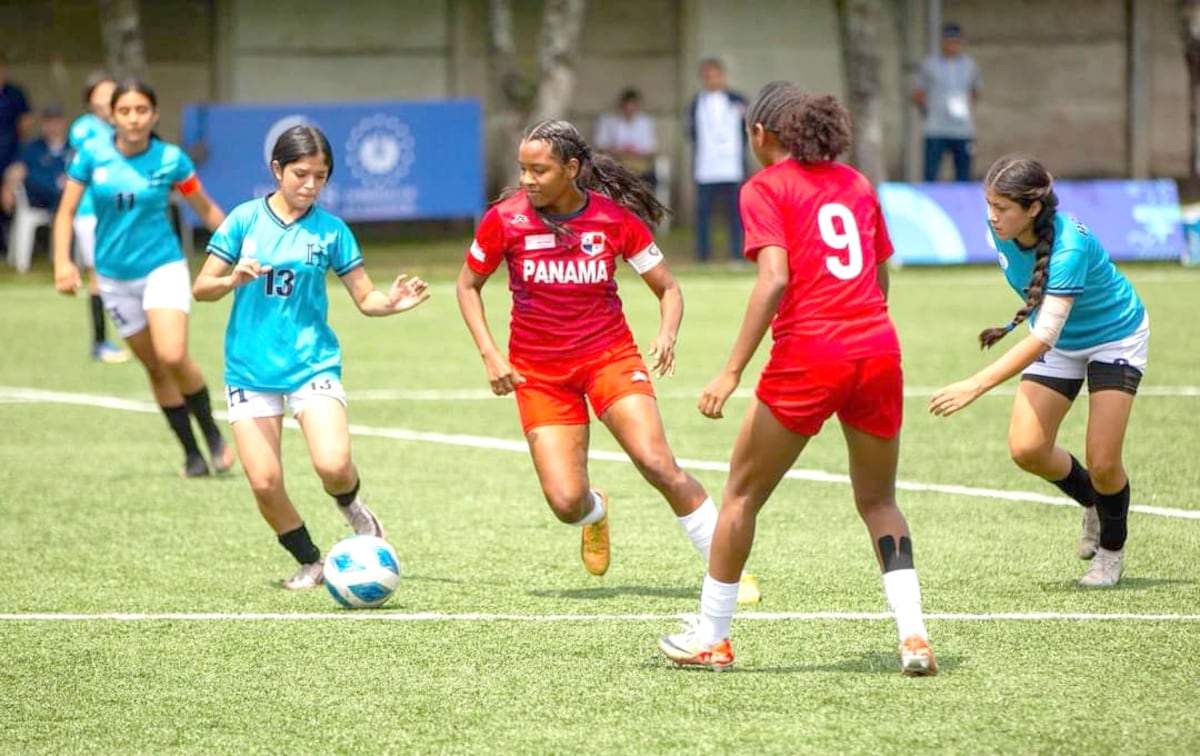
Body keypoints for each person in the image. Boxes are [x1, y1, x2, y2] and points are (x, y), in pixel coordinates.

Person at [658, 82, 935, 675]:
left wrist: (730, 371)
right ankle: (913, 637)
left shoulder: (764, 186)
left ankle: (712, 637)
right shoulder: (856, 183)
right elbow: (880, 271)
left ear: (760, 134)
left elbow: (775, 278)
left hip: (811, 354)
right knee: (880, 500)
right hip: (878, 350)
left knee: (740, 494)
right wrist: (864, 327)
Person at [456, 118, 758, 602]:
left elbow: (669, 288)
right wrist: (491, 355)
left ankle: (727, 570)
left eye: (539, 170)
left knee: (658, 463)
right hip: (539, 375)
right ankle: (595, 512)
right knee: (565, 502)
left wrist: (667, 331)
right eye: (523, 170)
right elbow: (467, 285)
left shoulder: (613, 220)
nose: (528, 180)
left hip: (609, 358)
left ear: (572, 168)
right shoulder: (506, 219)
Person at [193, 125, 431, 589]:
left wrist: (393, 302)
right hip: (249, 369)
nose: (310, 184)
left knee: (334, 465)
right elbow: (202, 289)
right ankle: (310, 560)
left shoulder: (332, 231)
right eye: (301, 174)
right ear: (277, 170)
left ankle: (352, 507)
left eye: (320, 176)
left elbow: (366, 298)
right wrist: (231, 280)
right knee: (263, 482)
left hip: (311, 365)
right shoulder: (244, 220)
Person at [930, 154, 1148, 588]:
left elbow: (1043, 336)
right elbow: (1046, 324)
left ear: (1033, 208)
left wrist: (976, 384)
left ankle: (1110, 553)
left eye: (1002, 208)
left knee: (1104, 462)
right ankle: (1092, 501)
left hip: (1114, 336)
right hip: (1062, 340)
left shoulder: (1070, 247)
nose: (993, 217)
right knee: (1027, 448)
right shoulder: (1001, 234)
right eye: (989, 205)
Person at [52, 78, 232, 478]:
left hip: (162, 267)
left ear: (154, 115)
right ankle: (192, 454)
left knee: (172, 355)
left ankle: (213, 435)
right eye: (125, 111)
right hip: (114, 278)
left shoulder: (171, 159)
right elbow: (65, 213)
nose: (133, 119)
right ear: (111, 116)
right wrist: (63, 263)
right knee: (154, 367)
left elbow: (205, 210)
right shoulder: (91, 156)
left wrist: (240, 249)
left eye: (141, 110)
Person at [69, 72, 129, 363]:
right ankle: (100, 342)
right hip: (90, 213)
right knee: (98, 275)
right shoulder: (85, 129)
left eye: (111, 94)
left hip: (120, 212)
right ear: (90, 99)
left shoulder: (123, 127)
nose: (106, 100)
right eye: (101, 95)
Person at [687, 57, 747, 265]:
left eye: (715, 75)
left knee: (736, 212)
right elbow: (691, 132)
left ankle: (737, 254)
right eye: (707, 76)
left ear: (722, 76)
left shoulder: (737, 99)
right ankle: (703, 255)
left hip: (732, 165)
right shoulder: (697, 102)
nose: (712, 80)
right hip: (706, 165)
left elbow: (747, 129)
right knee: (703, 213)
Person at [912, 22, 982, 182]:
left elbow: (976, 90)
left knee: (963, 174)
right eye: (948, 41)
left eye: (955, 41)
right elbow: (917, 93)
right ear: (942, 42)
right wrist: (930, 109)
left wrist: (963, 107)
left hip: (962, 130)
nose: (952, 45)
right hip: (935, 128)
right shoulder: (930, 64)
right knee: (930, 174)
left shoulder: (969, 65)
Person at [2, 105, 69, 214]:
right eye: (49, 122)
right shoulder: (33, 147)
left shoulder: (74, 147)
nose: (53, 127)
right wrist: (7, 187)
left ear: (64, 123)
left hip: (68, 199)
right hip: (40, 201)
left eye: (56, 122)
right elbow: (16, 169)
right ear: (43, 125)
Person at [593, 87, 658, 189]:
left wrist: (635, 153)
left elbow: (652, 150)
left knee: (649, 179)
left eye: (633, 107)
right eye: (627, 106)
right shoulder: (608, 121)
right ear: (622, 105)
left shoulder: (645, 122)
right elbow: (599, 146)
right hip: (615, 165)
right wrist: (618, 152)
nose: (630, 110)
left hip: (638, 167)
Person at [0, 53, 33, 252]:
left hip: (9, 155)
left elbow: (25, 126)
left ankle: (6, 248)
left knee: (9, 198)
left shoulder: (15, 94)